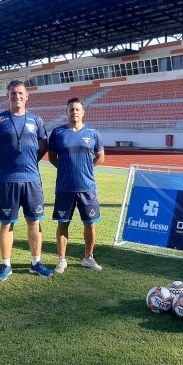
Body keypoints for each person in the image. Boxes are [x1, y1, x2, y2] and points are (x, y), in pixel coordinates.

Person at [0, 80, 53, 280]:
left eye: (21, 93)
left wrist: (33, 160)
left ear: (27, 96)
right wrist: (0, 164)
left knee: (34, 222)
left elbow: (44, 144)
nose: (17, 97)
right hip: (8, 180)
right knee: (7, 224)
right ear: (8, 96)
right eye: (13, 93)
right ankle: (6, 265)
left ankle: (36, 262)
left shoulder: (36, 120)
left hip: (32, 179)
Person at [48, 97, 105, 274]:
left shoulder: (93, 133)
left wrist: (86, 169)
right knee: (63, 224)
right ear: (67, 112)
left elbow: (100, 157)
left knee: (90, 224)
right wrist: (66, 169)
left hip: (87, 188)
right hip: (65, 188)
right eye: (71, 109)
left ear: (83, 112)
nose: (74, 112)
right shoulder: (57, 133)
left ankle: (88, 258)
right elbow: (52, 157)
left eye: (77, 109)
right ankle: (62, 259)